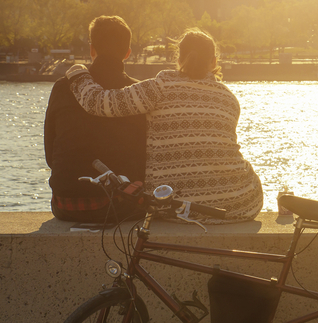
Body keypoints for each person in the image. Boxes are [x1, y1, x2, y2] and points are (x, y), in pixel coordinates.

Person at [65, 27, 262, 223]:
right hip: (237, 203)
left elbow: (99, 103)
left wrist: (78, 73)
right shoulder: (228, 98)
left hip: (172, 205)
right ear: (214, 62)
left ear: (178, 59)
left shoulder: (159, 87)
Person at [44, 16, 147, 222]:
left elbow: (50, 155)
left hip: (65, 204)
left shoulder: (62, 87)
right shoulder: (137, 93)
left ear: (92, 49)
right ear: (127, 53)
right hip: (119, 203)